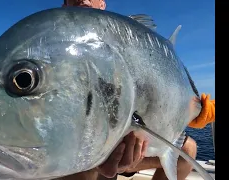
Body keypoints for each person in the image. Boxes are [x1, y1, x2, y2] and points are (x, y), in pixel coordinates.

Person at [62, 1, 216, 180]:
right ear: (65, 5)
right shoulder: (52, 45)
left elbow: (159, 97)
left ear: (102, 3)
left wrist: (194, 110)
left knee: (188, 149)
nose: (84, 0)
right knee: (88, 162)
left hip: (138, 144)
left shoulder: (122, 41)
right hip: (90, 149)